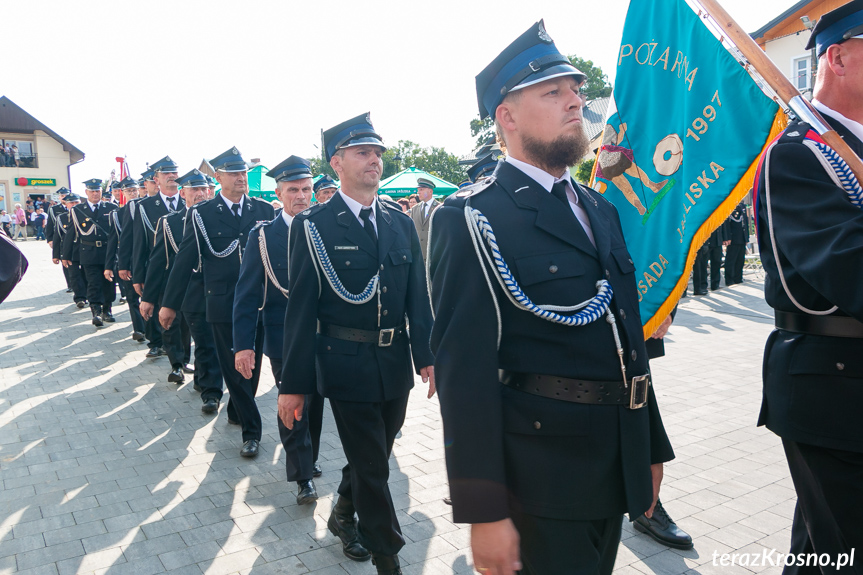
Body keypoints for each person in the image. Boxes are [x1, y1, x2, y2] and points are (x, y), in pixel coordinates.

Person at [427, 21, 674, 575]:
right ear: (507, 118)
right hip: (540, 476)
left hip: (615, 458)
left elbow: (625, 337)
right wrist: (483, 511)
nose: (575, 103)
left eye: (576, 91)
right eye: (553, 92)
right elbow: (464, 375)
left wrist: (650, 447)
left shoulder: (597, 206)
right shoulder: (473, 216)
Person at [278, 113, 435, 575]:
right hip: (344, 365)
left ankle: (343, 512)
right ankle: (388, 558)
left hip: (393, 363)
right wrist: (293, 384)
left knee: (375, 456)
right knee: (373, 468)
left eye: (378, 153)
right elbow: (300, 312)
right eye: (363, 152)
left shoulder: (399, 222)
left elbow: (416, 297)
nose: (374, 160)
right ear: (337, 162)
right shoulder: (314, 226)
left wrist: (426, 355)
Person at [755, 2, 863, 573]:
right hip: (837, 391)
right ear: (838, 57)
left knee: (826, 551)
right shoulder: (798, 156)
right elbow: (846, 270)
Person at [160, 147, 274, 457]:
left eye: (243, 173)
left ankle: (238, 410)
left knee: (252, 368)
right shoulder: (202, 214)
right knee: (234, 367)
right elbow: (184, 259)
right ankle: (252, 432)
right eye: (234, 173)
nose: (241, 178)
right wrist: (169, 303)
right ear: (218, 177)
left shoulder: (263, 211)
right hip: (222, 303)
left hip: (258, 303)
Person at [233, 155, 325, 505]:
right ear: (279, 193)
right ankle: (302, 475)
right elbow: (246, 295)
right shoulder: (263, 236)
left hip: (322, 335)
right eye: (292, 190)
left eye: (306, 189)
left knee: (315, 406)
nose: (300, 196)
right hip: (283, 336)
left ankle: (310, 456)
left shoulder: (324, 227)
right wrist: (243, 345)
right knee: (293, 404)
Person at [630, 309, 693, 550]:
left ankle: (647, 507)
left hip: (633, 318)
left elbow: (670, 269)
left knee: (640, 399)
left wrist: (664, 308)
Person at [141, 171, 208, 388]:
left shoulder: (217, 218)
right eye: (194, 190)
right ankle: (177, 364)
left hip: (207, 288)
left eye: (203, 189)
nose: (200, 194)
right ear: (183, 193)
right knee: (174, 327)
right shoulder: (170, 222)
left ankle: (203, 379)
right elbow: (157, 260)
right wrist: (148, 297)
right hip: (176, 285)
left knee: (201, 336)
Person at [134, 159, 185, 359]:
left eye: (174, 173)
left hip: (189, 272)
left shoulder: (189, 202)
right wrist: (138, 275)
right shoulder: (145, 206)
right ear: (156, 180)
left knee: (187, 321)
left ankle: (183, 359)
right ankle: (175, 362)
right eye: (166, 174)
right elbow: (139, 243)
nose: (172, 177)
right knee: (166, 317)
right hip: (161, 271)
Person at [61, 179, 119, 326]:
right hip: (88, 251)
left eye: (98, 191)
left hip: (107, 251)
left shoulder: (111, 207)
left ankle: (107, 310)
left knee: (109, 283)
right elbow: (71, 233)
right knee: (93, 283)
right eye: (92, 191)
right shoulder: (78, 210)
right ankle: (96, 312)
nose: (95, 193)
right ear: (86, 193)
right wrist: (65, 255)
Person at [104, 177, 146, 342]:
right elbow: (113, 241)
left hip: (145, 260)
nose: (133, 193)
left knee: (149, 297)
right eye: (129, 191)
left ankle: (152, 331)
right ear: (123, 193)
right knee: (131, 297)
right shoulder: (118, 213)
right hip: (127, 261)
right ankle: (139, 329)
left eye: (135, 190)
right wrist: (109, 266)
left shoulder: (146, 207)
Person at [53, 193, 88, 308]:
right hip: (71, 251)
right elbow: (57, 237)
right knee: (74, 275)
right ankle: (79, 298)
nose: (73, 205)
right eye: (71, 203)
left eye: (76, 202)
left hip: (86, 249)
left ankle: (88, 295)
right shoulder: (61, 218)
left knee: (87, 274)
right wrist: (56, 255)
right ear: (66, 204)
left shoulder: (86, 215)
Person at [409, 177, 440, 260]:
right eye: (418, 190)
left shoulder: (439, 208)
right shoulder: (414, 209)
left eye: (421, 189)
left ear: (430, 191)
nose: (418, 192)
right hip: (418, 255)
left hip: (434, 254)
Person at [692, 225, 728, 295]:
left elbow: (723, 224)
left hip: (717, 240)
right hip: (707, 241)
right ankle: (703, 286)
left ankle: (715, 284)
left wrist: (724, 238)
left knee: (717, 262)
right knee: (703, 265)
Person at [724, 202, 749, 286]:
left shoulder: (742, 207)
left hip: (741, 237)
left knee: (740, 260)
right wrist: (727, 237)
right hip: (733, 238)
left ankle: (738, 278)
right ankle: (729, 279)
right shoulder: (728, 206)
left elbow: (746, 223)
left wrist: (746, 237)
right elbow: (726, 224)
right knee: (731, 260)